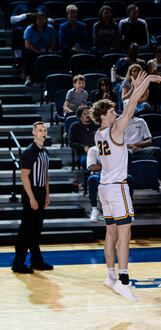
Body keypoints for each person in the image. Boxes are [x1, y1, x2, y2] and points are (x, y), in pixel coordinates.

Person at [90, 71, 161, 301]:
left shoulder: (98, 134)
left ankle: (110, 275)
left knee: (110, 232)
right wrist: (147, 82)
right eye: (111, 111)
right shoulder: (115, 129)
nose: (116, 113)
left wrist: (134, 88)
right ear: (104, 116)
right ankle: (123, 282)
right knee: (125, 233)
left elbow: (127, 104)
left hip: (104, 187)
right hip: (117, 188)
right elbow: (131, 105)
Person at [12, 122, 53, 274]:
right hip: (31, 192)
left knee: (36, 230)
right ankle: (18, 263)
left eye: (45, 130)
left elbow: (46, 175)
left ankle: (36, 261)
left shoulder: (44, 151)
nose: (43, 132)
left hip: (41, 191)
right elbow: (24, 176)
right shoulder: (30, 151)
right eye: (40, 130)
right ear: (34, 133)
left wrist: (47, 194)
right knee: (26, 231)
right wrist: (31, 197)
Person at [86, 146, 135, 223]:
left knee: (129, 178)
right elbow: (92, 167)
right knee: (92, 179)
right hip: (100, 175)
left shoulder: (119, 148)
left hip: (117, 174)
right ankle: (94, 210)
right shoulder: (93, 149)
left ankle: (128, 209)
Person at [23, 12, 56, 86]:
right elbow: (27, 44)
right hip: (34, 50)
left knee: (54, 55)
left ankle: (50, 78)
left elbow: (53, 42)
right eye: (39, 19)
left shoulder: (50, 28)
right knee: (28, 54)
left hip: (46, 49)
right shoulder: (30, 29)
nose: (42, 21)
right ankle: (28, 78)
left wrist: (50, 49)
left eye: (44, 19)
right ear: (35, 20)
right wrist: (37, 51)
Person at [68, 105, 99, 170]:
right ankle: (90, 178)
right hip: (84, 153)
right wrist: (83, 147)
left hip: (98, 152)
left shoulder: (96, 125)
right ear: (80, 116)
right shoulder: (74, 126)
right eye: (85, 114)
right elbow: (71, 143)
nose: (87, 115)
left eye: (89, 113)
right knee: (86, 161)